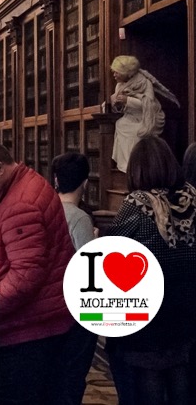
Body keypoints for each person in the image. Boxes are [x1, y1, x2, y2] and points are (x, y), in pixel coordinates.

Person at [0, 139, 75, 404]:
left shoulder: (20, 203)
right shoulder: (23, 186)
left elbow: (25, 276)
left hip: (28, 328)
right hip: (35, 322)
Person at [105, 137, 196, 405]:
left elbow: (113, 246)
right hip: (187, 303)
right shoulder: (192, 197)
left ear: (137, 170)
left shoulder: (138, 203)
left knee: (149, 372)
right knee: (180, 366)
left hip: (150, 306)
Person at [51, 152, 97, 404]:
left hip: (51, 305)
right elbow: (87, 268)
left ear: (56, 180)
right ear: (85, 183)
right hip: (73, 309)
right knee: (72, 377)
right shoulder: (78, 218)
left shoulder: (47, 209)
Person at [110, 55, 179, 172]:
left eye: (117, 72)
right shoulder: (119, 85)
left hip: (146, 118)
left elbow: (149, 104)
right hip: (130, 117)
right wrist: (117, 104)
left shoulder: (144, 82)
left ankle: (135, 165)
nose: (114, 75)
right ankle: (126, 165)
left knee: (136, 132)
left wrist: (128, 100)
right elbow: (121, 108)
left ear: (126, 72)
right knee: (121, 124)